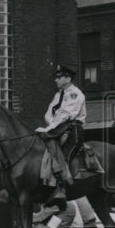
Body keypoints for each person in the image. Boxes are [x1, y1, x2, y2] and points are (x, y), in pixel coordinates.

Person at [35, 64, 86, 213]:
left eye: (59, 77)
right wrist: (51, 127)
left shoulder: (75, 94)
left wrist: (48, 129)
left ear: (68, 78)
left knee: (62, 158)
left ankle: (61, 192)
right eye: (56, 77)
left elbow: (66, 116)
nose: (56, 80)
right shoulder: (58, 95)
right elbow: (49, 113)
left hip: (72, 130)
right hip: (57, 129)